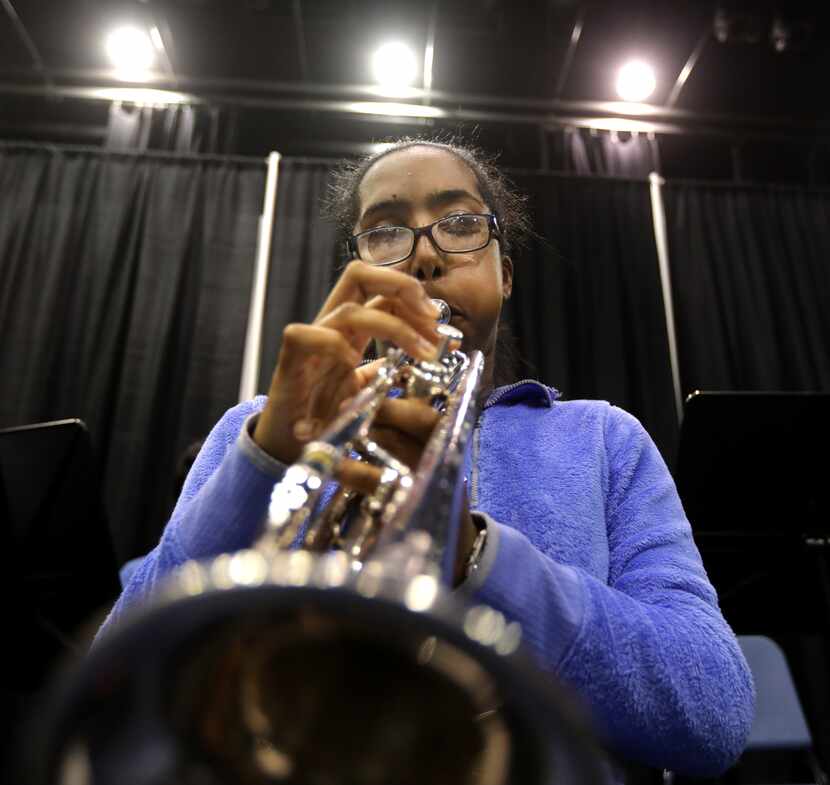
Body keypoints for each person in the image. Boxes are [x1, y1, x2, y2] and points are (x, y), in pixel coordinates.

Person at [97, 137, 755, 778]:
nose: (424, 257)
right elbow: (119, 687)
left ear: (505, 271)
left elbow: (714, 709)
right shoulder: (257, 430)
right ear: (354, 275)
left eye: (460, 222)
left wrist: (473, 556)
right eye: (385, 232)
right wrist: (265, 461)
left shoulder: (604, 439)